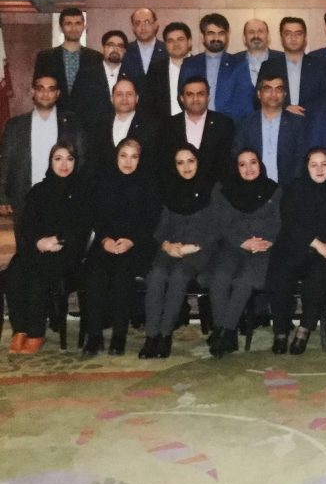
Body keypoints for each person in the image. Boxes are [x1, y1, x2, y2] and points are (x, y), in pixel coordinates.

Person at [5, 143, 91, 355]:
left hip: (67, 252)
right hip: (39, 247)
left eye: (69, 159)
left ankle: (36, 332)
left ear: (75, 162)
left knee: (38, 271)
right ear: (50, 162)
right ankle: (20, 329)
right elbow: (27, 224)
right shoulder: (38, 191)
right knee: (14, 269)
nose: (64, 164)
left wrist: (58, 240)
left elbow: (82, 226)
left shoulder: (82, 190)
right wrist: (38, 242)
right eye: (58, 158)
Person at [81, 138, 161, 356]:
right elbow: (96, 217)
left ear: (140, 160)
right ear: (116, 157)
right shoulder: (104, 181)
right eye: (123, 156)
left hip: (137, 245)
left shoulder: (148, 183)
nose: (128, 162)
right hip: (107, 243)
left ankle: (119, 336)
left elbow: (151, 221)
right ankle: (94, 336)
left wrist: (130, 241)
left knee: (122, 277)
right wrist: (105, 240)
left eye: (134, 157)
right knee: (96, 275)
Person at [142, 145, 220, 359]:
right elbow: (160, 228)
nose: (186, 167)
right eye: (180, 163)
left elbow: (217, 229)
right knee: (156, 275)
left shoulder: (212, 190)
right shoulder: (170, 190)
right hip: (171, 248)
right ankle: (151, 335)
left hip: (199, 250)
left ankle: (165, 335)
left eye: (191, 161)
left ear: (198, 162)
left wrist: (192, 247)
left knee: (179, 275)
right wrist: (166, 245)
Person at [266, 148, 326, 355]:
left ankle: (304, 330)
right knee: (280, 276)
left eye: (324, 164)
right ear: (306, 167)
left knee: (318, 278)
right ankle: (280, 332)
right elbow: (290, 222)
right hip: (294, 246)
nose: (319, 169)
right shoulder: (294, 188)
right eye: (314, 165)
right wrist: (315, 243)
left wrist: (324, 247)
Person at [205, 149, 281, 358]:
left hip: (263, 248)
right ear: (236, 168)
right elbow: (221, 223)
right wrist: (243, 241)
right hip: (233, 245)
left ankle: (225, 332)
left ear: (260, 165)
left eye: (253, 162)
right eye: (242, 164)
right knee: (220, 278)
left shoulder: (274, 190)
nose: (249, 168)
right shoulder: (225, 190)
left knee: (244, 281)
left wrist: (266, 242)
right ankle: (224, 332)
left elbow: (279, 223)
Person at [0, 73, 86, 225]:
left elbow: (81, 161)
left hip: (62, 201)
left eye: (51, 89)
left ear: (57, 93)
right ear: (33, 91)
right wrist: (2, 197)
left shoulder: (72, 124)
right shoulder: (15, 126)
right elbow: (5, 163)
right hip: (24, 201)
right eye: (41, 88)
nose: (46, 94)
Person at [234, 74, 309, 185]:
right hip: (254, 187)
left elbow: (302, 158)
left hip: (288, 188)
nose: (273, 94)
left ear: (284, 94)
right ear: (259, 94)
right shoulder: (245, 124)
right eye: (268, 89)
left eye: (278, 89)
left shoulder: (298, 123)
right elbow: (237, 157)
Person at [179, 13, 255, 121]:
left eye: (221, 33)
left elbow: (244, 102)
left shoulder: (238, 64)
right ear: (203, 36)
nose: (216, 38)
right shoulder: (190, 64)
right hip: (196, 125)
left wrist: (221, 124)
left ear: (227, 36)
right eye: (211, 33)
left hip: (229, 126)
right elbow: (182, 97)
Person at [158, 76, 235, 180]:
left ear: (208, 97)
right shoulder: (167, 126)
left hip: (214, 188)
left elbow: (227, 164)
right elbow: (163, 164)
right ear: (182, 98)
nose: (195, 99)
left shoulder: (224, 124)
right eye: (190, 94)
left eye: (200, 94)